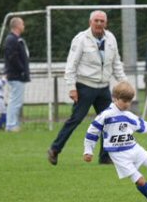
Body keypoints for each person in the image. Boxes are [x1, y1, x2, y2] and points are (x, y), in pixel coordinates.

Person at [47, 10, 126, 165]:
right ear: (90, 22)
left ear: (106, 23)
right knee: (75, 119)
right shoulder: (80, 39)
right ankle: (55, 149)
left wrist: (124, 82)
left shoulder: (111, 39)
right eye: (96, 20)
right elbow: (71, 65)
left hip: (104, 88)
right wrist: (71, 87)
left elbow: (116, 63)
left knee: (109, 121)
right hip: (85, 86)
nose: (99, 23)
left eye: (102, 21)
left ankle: (105, 157)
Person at [4, 17, 30, 132]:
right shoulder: (11, 39)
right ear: (18, 26)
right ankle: (10, 125)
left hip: (18, 75)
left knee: (16, 101)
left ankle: (13, 123)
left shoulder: (16, 39)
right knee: (14, 100)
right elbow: (12, 57)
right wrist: (22, 70)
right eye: (23, 24)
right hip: (15, 75)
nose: (24, 26)